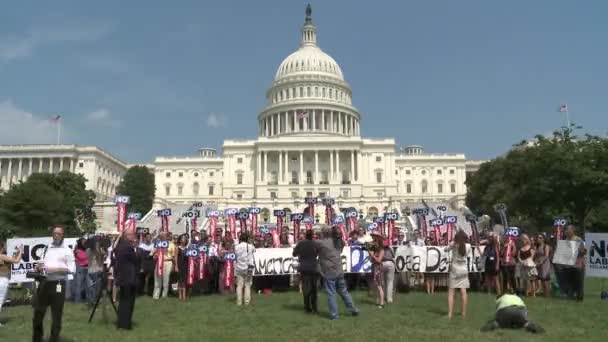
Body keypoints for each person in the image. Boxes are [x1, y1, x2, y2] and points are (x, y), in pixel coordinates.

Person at [33, 225, 76, 342]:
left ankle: (54, 338)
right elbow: (41, 263)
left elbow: (71, 269)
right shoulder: (47, 248)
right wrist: (38, 267)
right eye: (55, 233)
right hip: (44, 283)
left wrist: (55, 269)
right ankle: (37, 338)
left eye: (59, 234)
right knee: (38, 313)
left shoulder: (67, 250)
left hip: (58, 284)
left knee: (56, 315)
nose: (56, 235)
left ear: (63, 235)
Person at [316, 226, 359, 320]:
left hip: (328, 271)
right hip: (339, 270)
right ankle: (353, 309)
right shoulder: (338, 242)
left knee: (331, 293)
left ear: (323, 233)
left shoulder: (320, 243)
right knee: (344, 292)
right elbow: (341, 245)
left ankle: (334, 315)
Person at [114, 231, 139, 330]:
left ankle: (121, 322)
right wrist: (135, 249)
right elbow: (136, 260)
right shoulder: (128, 247)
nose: (134, 236)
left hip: (123, 277)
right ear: (126, 236)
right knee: (128, 302)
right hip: (129, 278)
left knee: (123, 301)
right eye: (132, 235)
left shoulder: (120, 246)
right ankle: (125, 324)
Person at [293, 229, 319, 313]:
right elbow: (319, 253)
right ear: (312, 236)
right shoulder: (315, 244)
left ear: (305, 235)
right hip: (314, 267)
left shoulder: (301, 243)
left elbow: (294, 254)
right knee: (314, 288)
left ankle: (307, 307)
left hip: (304, 267)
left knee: (306, 288)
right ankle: (314, 308)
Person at [446, 230, 471, 319]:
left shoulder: (454, 244)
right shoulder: (468, 246)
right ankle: (463, 313)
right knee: (463, 291)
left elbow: (446, 249)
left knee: (451, 292)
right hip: (464, 269)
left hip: (455, 269)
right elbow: (468, 255)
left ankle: (450, 314)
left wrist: (452, 242)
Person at [0, 241, 22, 327]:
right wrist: (20, 252)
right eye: (4, 247)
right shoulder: (2, 256)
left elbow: (11, 261)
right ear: (1, 247)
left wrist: (17, 253)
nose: (5, 248)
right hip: (2, 280)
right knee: (0, 300)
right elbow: (16, 261)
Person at [563, 225, 586, 301]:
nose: (566, 231)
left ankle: (579, 297)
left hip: (577, 264)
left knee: (578, 282)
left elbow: (583, 251)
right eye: (566, 230)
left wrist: (576, 251)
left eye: (568, 230)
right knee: (569, 281)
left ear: (573, 231)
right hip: (568, 265)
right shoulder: (565, 240)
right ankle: (571, 295)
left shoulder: (578, 239)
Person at [151, 231, 176, 299]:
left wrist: (174, 265)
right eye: (161, 235)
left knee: (166, 279)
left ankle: (164, 295)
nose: (162, 236)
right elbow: (152, 253)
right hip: (159, 262)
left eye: (164, 235)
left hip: (168, 262)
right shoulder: (157, 244)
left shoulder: (171, 244)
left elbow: (173, 256)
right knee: (157, 279)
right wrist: (155, 255)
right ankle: (156, 295)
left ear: (167, 236)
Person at [235, 232, 256, 306]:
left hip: (239, 267)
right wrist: (250, 242)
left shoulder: (237, 246)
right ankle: (247, 302)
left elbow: (235, 254)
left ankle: (239, 302)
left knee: (239, 286)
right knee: (247, 285)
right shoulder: (250, 246)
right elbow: (254, 250)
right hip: (248, 267)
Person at [86, 238, 106, 307]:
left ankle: (91, 301)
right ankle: (95, 302)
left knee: (91, 288)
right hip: (96, 270)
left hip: (90, 270)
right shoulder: (97, 251)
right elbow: (101, 261)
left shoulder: (88, 250)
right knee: (97, 288)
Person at [369, 233, 385, 308]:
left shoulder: (381, 250)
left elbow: (379, 260)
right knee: (375, 285)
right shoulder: (374, 249)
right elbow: (371, 259)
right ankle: (378, 300)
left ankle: (382, 302)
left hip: (378, 267)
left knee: (379, 285)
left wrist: (372, 255)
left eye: (374, 239)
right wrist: (371, 255)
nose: (373, 240)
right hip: (374, 267)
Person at [72, 238, 88, 303]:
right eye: (83, 242)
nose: (84, 243)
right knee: (79, 284)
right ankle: (77, 300)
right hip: (80, 268)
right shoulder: (77, 251)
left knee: (86, 284)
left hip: (87, 267)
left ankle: (85, 298)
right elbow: (82, 257)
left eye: (85, 242)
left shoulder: (86, 249)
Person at [176, 234, 189, 301]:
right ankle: (179, 295)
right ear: (180, 240)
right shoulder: (178, 248)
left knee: (184, 280)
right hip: (179, 265)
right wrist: (176, 266)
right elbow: (175, 257)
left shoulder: (187, 248)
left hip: (185, 265)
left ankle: (184, 295)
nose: (183, 240)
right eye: (182, 239)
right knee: (179, 280)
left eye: (184, 239)